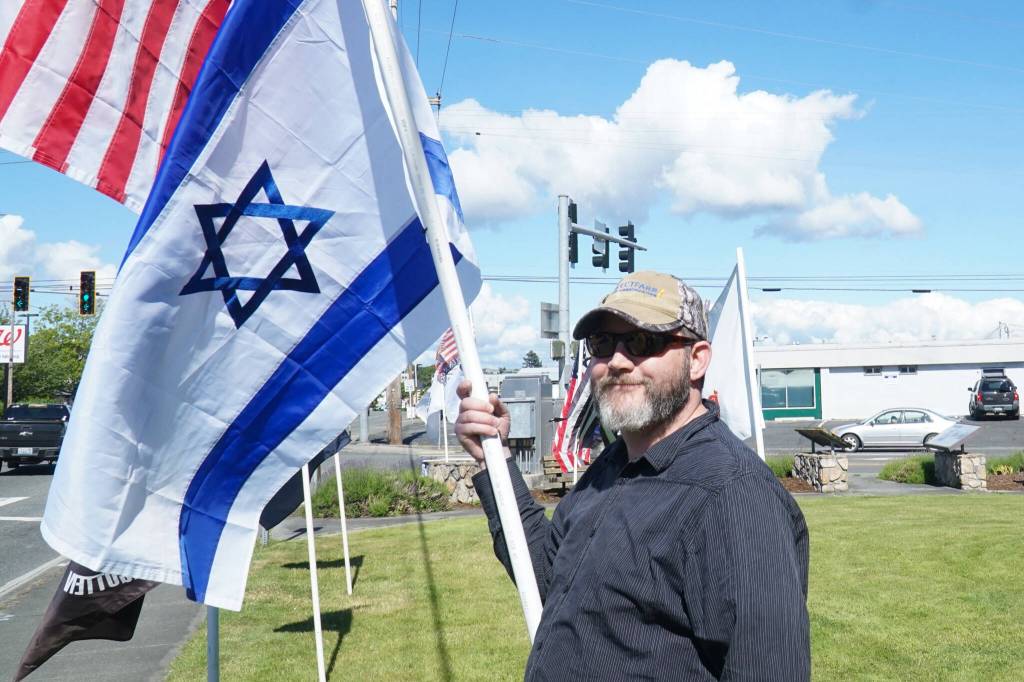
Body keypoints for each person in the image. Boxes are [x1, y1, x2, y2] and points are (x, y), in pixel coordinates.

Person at [455, 271, 810, 681]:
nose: (618, 361)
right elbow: (549, 579)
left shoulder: (733, 496)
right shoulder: (612, 467)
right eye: (602, 344)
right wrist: (492, 459)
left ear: (697, 359)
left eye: (642, 341)